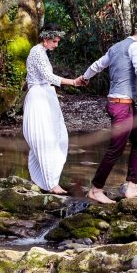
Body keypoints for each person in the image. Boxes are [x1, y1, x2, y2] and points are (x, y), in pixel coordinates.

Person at [75, 26, 137, 204]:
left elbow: (98, 65)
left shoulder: (115, 47)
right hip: (122, 106)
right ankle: (96, 189)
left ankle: (131, 186)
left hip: (123, 104)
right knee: (116, 148)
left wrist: (85, 77)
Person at [23, 24, 84, 194]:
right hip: (38, 98)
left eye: (58, 41)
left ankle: (45, 180)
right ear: (45, 38)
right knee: (45, 138)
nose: (56, 45)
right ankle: (50, 183)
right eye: (54, 41)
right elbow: (47, 76)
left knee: (57, 136)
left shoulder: (42, 52)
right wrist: (73, 82)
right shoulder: (36, 52)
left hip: (45, 96)